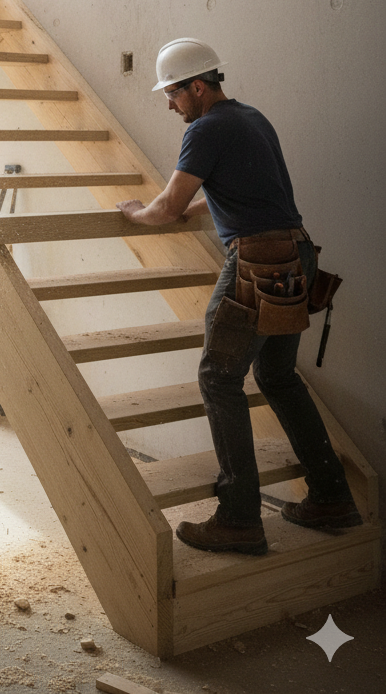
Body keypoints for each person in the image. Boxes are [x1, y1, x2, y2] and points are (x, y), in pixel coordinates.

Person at [116, 37, 360, 556]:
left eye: (174, 94)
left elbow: (166, 208)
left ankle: (239, 518)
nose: (169, 104)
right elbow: (240, 195)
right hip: (296, 253)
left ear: (198, 86)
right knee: (275, 375)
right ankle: (332, 497)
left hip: (258, 260)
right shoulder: (252, 118)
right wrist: (183, 208)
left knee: (217, 377)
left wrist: (136, 211)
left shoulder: (205, 129)